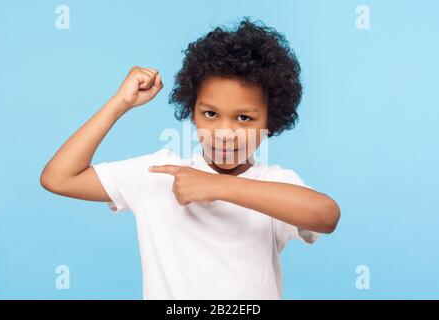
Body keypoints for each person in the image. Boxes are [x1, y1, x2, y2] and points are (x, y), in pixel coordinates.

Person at [40, 17, 341, 299]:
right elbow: (58, 178)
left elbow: (326, 216)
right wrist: (120, 103)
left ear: (270, 122)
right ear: (192, 112)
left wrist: (217, 186)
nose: (224, 132)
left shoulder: (273, 184)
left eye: (244, 118)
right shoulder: (158, 174)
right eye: (210, 114)